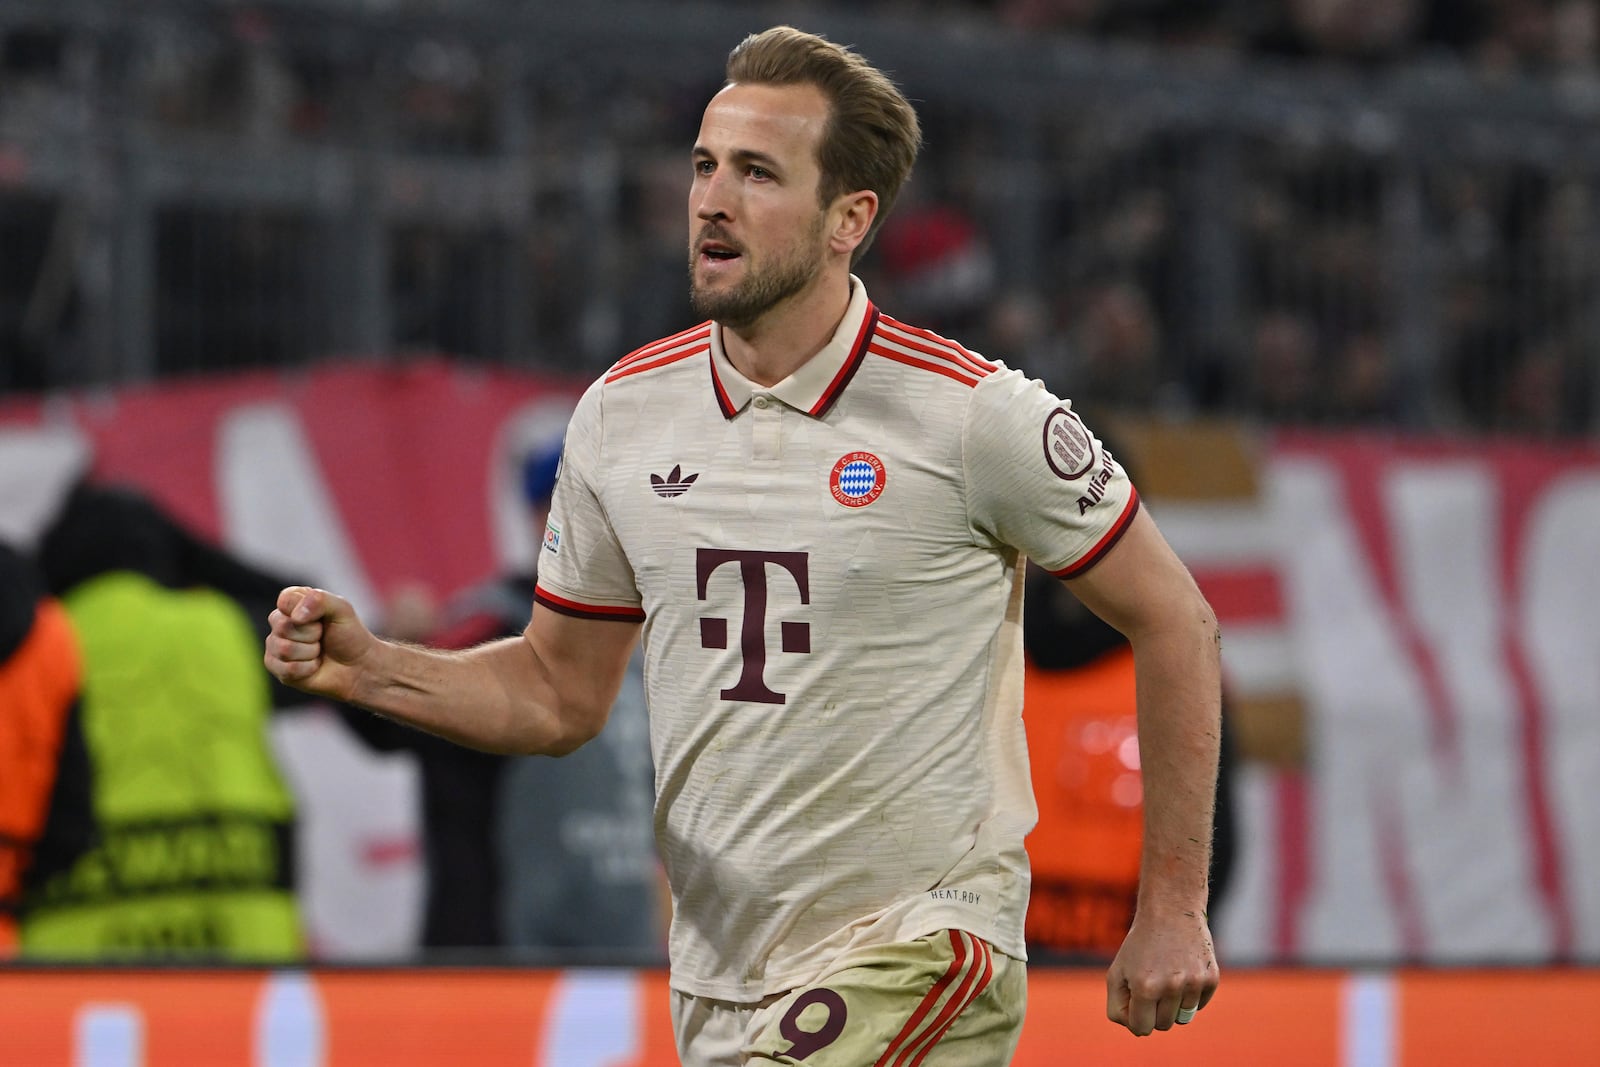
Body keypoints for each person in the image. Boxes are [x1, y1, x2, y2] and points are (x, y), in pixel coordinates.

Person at [266, 25, 1222, 1063]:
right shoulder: (622, 418)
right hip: (721, 980)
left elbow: (1176, 618)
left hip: (920, 946)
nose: (711, 199)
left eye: (757, 173)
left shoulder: (973, 416)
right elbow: (554, 693)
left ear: (847, 217)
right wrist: (376, 671)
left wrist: (1170, 905)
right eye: (703, 165)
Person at [342, 441, 663, 956]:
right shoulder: (491, 627)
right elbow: (380, 723)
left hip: (621, 961)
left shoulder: (643, 640)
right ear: (545, 517)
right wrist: (386, 648)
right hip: (500, 962)